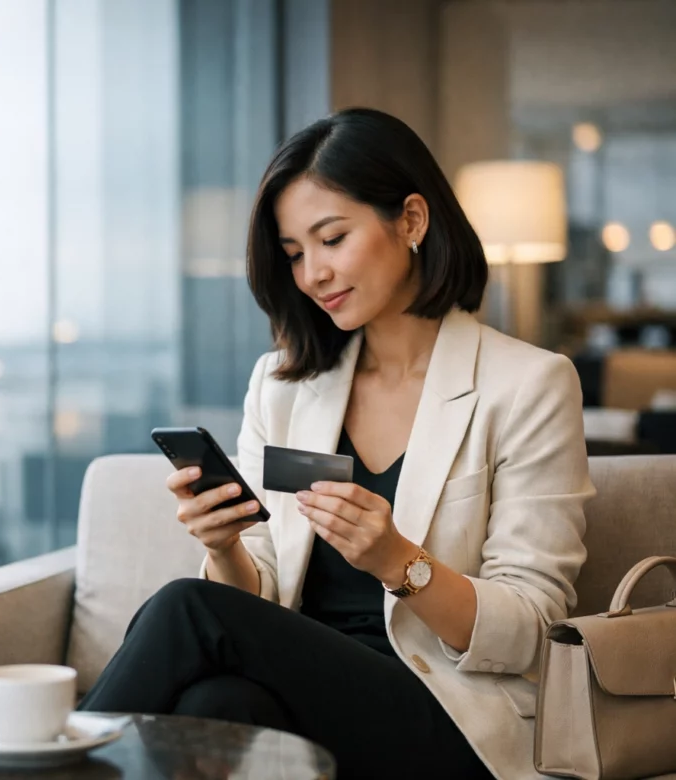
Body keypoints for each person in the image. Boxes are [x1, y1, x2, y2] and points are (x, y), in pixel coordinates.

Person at [76, 108, 594, 780]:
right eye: (295, 253)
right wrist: (225, 546)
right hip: (314, 700)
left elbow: (531, 629)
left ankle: (48, 765)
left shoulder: (528, 385)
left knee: (187, 606)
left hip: (453, 718)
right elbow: (258, 603)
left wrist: (398, 561)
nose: (312, 274)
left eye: (332, 239)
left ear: (411, 221)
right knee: (218, 703)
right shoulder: (283, 387)